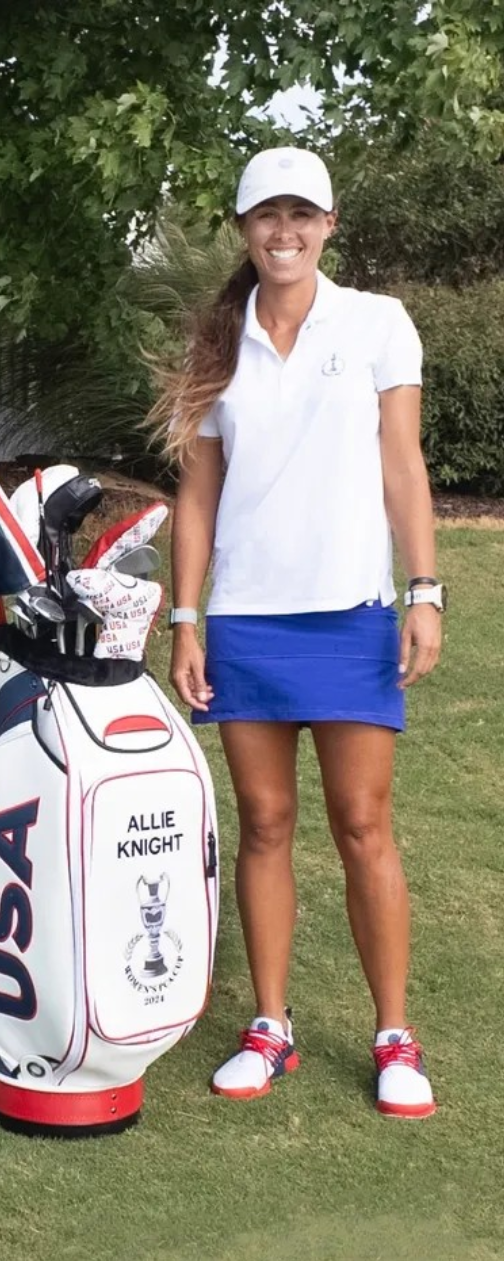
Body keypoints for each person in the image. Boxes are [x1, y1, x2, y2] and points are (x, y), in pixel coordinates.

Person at [151, 147, 444, 1119]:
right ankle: (271, 1028)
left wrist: (424, 590)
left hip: (352, 615)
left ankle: (393, 1035)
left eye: (302, 215)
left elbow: (402, 465)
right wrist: (185, 617)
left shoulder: (377, 325)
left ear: (328, 225)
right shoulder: (215, 344)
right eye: (267, 216)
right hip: (245, 620)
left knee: (362, 824)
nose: (285, 232)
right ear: (245, 229)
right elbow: (198, 494)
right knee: (265, 823)